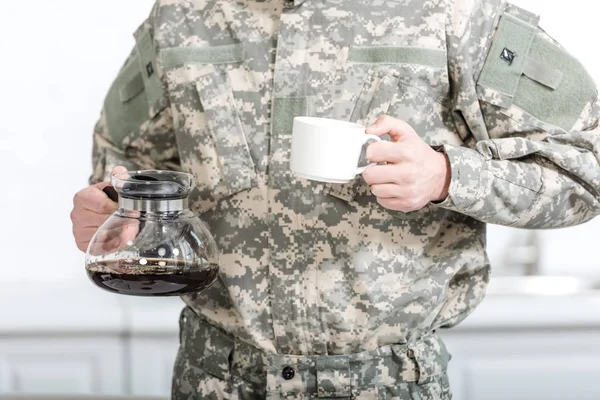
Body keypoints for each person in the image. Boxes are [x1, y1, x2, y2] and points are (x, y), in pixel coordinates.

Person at [70, 0, 600, 398]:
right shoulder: (184, 15)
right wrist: (115, 212)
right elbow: (123, 164)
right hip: (215, 379)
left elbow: (587, 166)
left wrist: (444, 176)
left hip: (388, 385)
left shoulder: (456, 11)